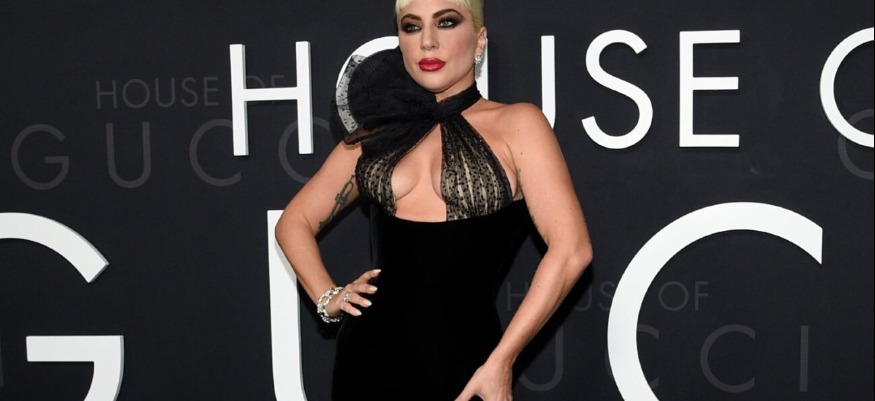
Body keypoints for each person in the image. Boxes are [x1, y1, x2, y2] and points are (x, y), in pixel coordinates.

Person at [275, 0, 592, 399]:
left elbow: (572, 250)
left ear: (480, 40)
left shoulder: (519, 124)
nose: (427, 41)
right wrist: (328, 297)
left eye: (446, 22)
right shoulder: (379, 134)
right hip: (365, 361)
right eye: (412, 27)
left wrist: (502, 360)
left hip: (466, 366)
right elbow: (294, 221)